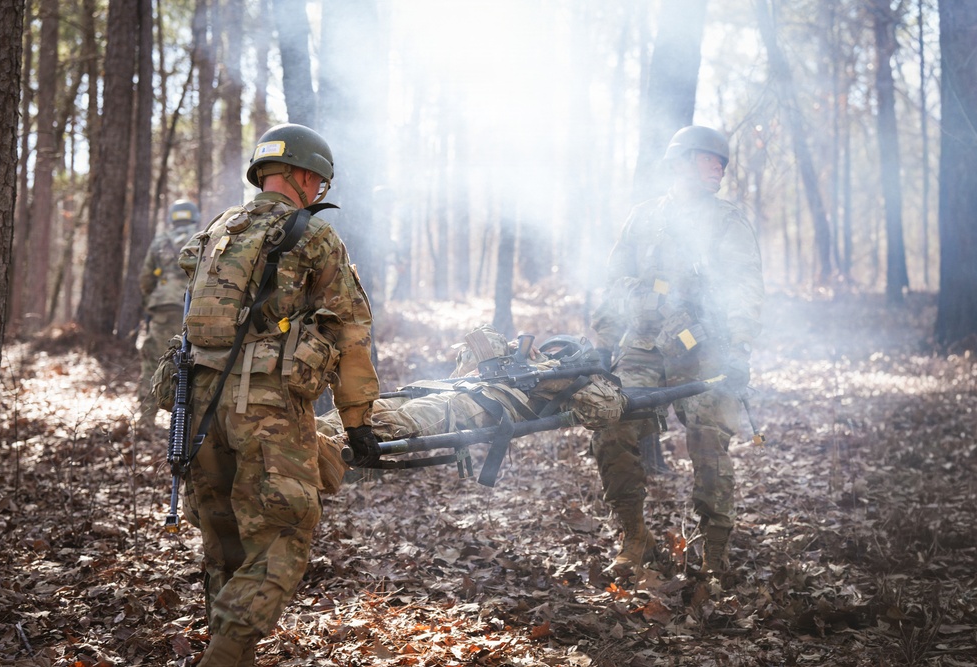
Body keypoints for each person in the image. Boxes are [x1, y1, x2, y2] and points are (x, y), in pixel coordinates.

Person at [175, 123, 381, 666]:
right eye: (318, 183)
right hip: (264, 408)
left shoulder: (218, 230)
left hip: (198, 403)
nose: (318, 194)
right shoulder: (310, 235)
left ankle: (229, 650)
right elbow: (351, 331)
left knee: (225, 544)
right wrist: (357, 423)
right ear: (304, 175)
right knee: (282, 536)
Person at [590, 125, 764, 578]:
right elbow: (611, 284)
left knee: (709, 437)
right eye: (710, 159)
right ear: (682, 161)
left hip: (705, 348)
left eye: (723, 163)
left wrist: (740, 348)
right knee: (611, 423)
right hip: (645, 344)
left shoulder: (728, 222)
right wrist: (602, 347)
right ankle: (634, 537)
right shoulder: (644, 218)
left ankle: (714, 549)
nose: (720, 168)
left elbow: (745, 289)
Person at [315, 325, 626, 446]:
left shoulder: (576, 382)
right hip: (446, 387)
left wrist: (565, 376)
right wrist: (506, 345)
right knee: (372, 408)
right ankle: (303, 435)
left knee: (399, 420)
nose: (549, 352)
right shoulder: (517, 355)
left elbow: (606, 409)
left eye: (561, 352)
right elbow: (469, 354)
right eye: (550, 348)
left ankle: (325, 448)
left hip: (478, 405)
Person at [136, 199, 199, 428]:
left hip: (162, 307)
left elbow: (146, 278)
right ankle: (189, 423)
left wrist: (150, 303)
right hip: (192, 308)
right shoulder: (203, 236)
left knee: (152, 362)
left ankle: (145, 419)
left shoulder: (160, 240)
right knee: (195, 363)